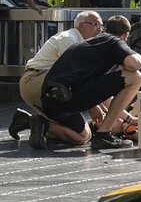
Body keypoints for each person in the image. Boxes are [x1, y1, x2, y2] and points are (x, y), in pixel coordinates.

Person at [31, 15, 141, 151]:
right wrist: (138, 57)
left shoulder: (94, 43)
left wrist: (128, 119)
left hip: (50, 100)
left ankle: (42, 124)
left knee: (83, 136)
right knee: (135, 77)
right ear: (125, 36)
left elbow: (102, 93)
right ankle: (103, 134)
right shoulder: (113, 42)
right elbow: (135, 64)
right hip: (68, 97)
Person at [10, 11, 105, 142]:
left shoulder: (79, 43)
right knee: (81, 138)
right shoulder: (69, 39)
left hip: (49, 87)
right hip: (37, 81)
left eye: (101, 26)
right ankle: (41, 124)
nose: (99, 30)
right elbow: (75, 78)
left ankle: (31, 122)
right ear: (82, 26)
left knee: (84, 135)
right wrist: (93, 107)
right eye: (96, 25)